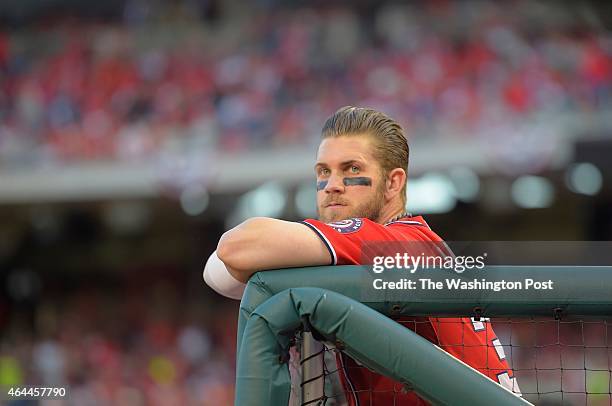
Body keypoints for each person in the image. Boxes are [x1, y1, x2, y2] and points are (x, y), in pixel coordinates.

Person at [204, 106, 520, 404]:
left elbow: (236, 249)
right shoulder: (404, 242)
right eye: (323, 171)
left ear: (393, 183)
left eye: (352, 169)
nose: (332, 185)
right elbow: (219, 272)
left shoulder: (395, 243)